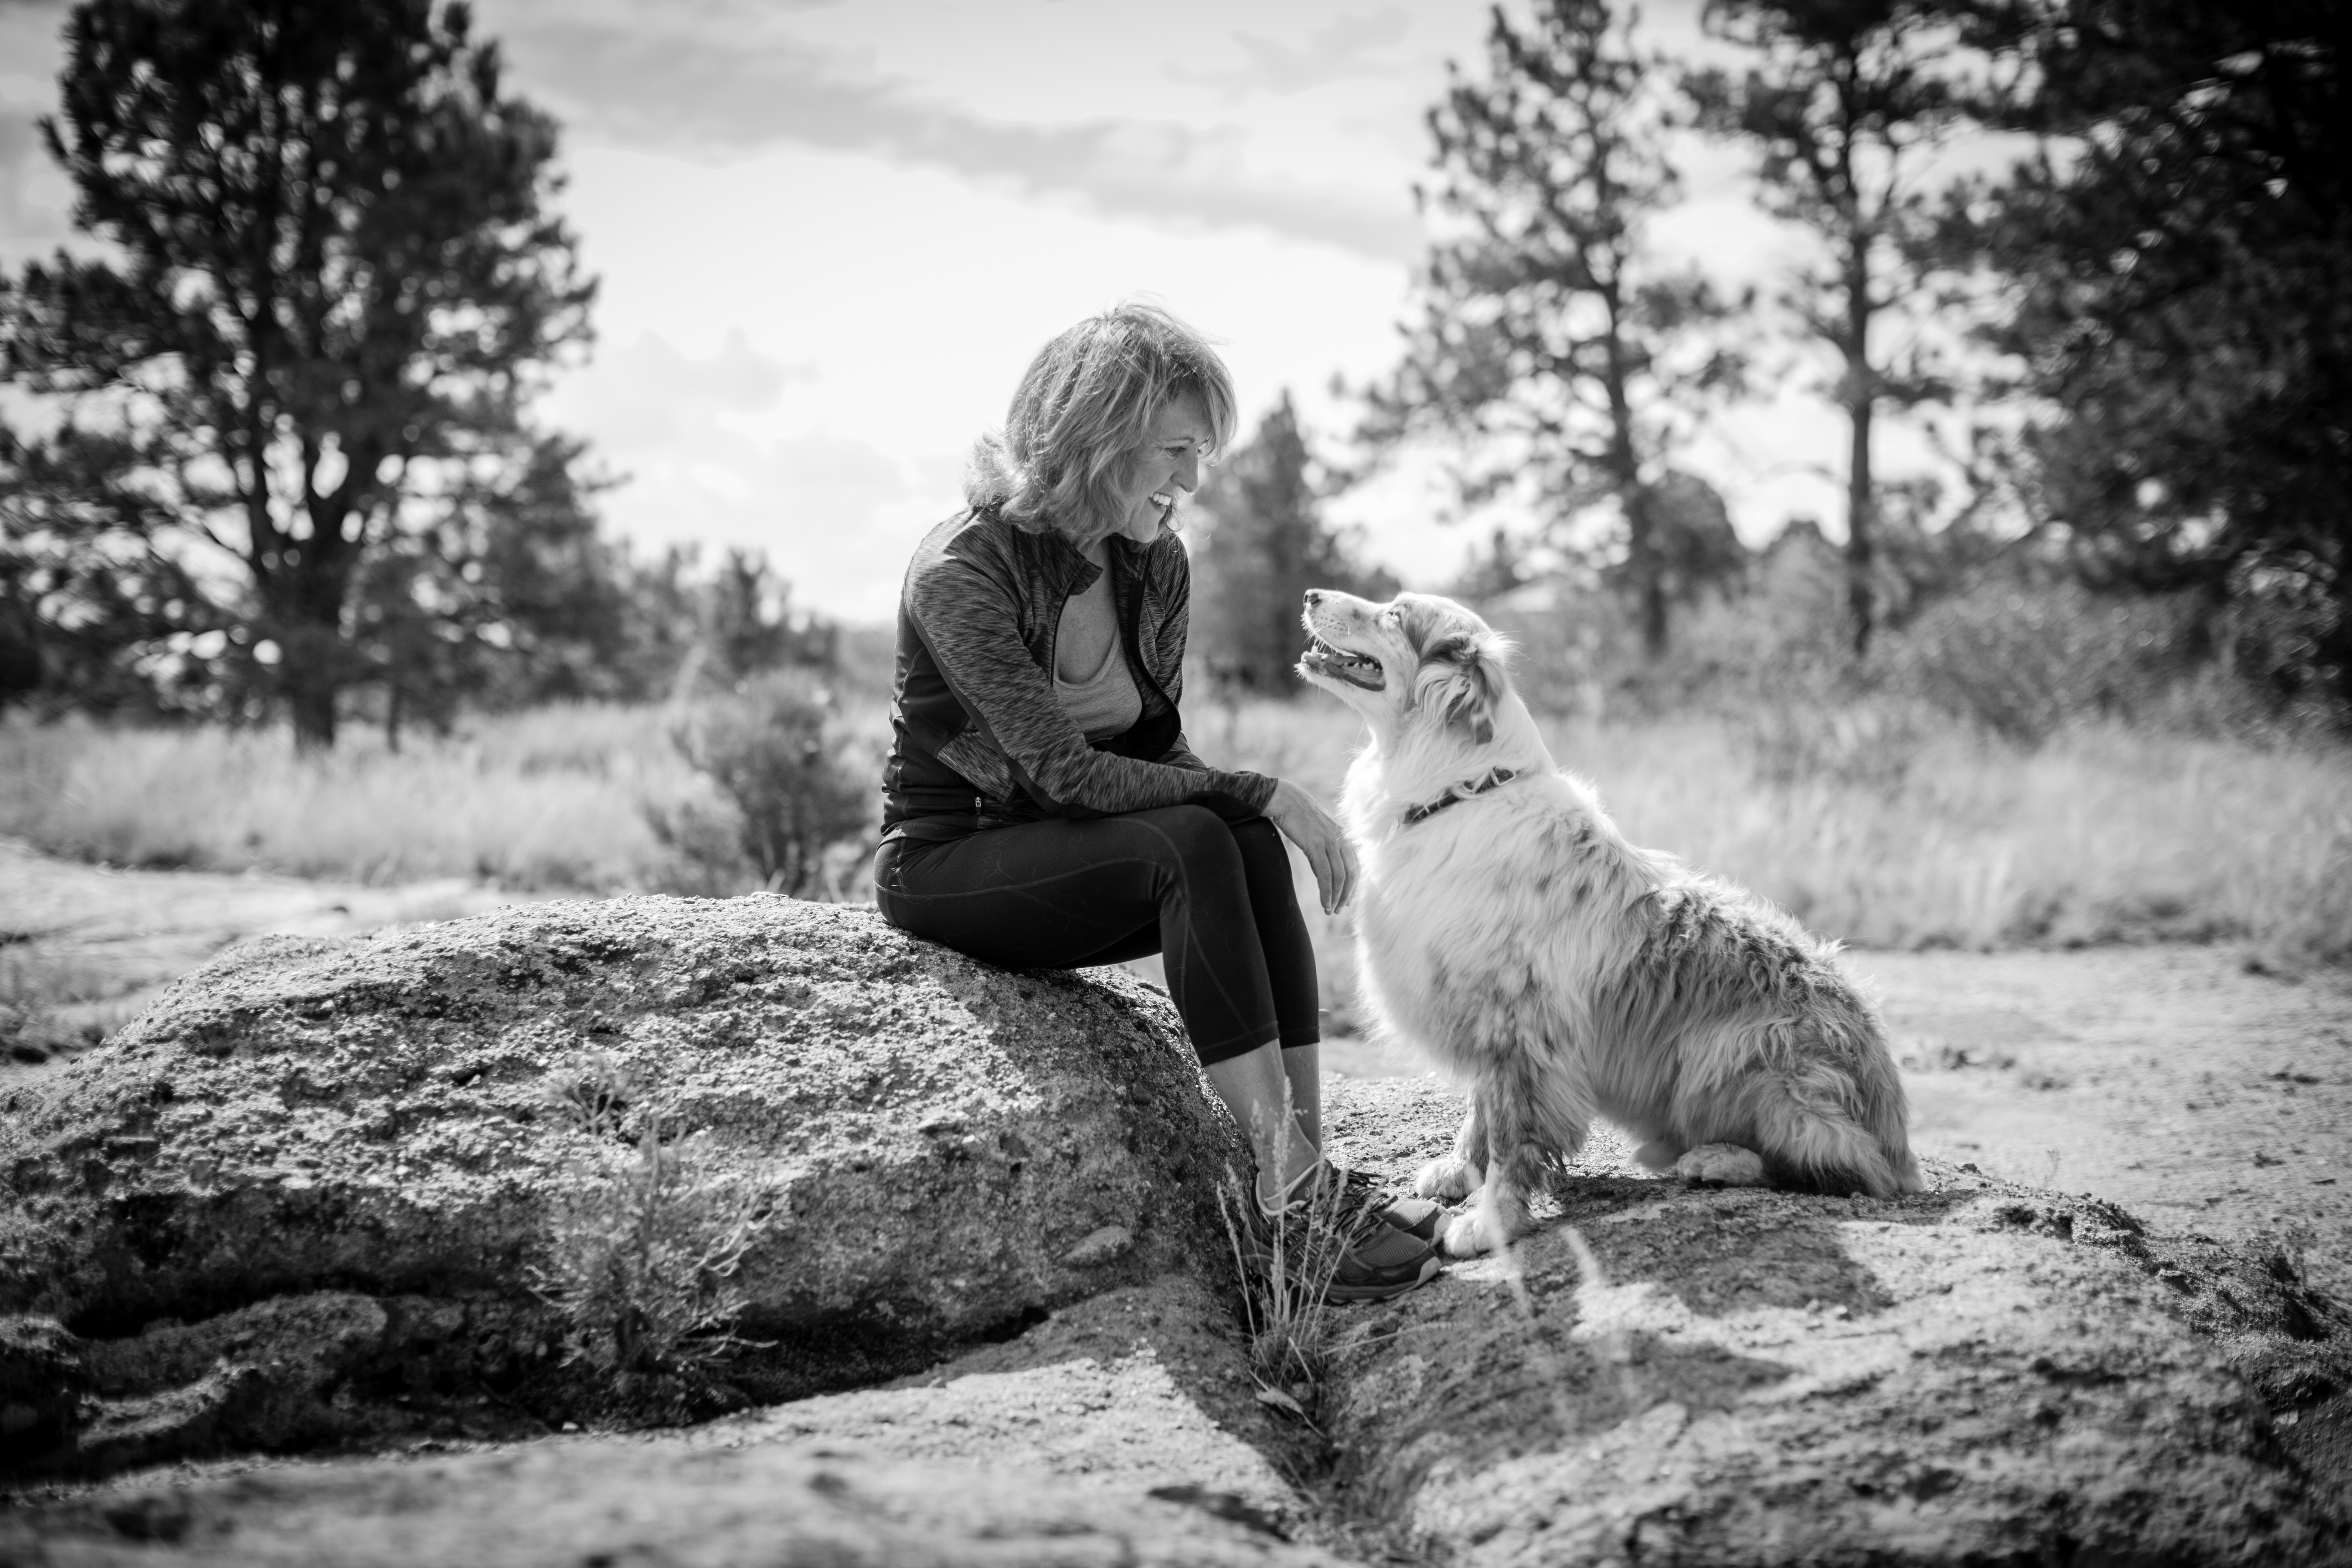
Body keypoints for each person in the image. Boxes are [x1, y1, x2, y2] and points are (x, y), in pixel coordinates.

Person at [872, 300, 1443, 1301]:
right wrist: (1265, 788)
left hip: (1069, 846)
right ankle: (1291, 1185)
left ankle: (1300, 1176)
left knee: (1235, 838)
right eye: (1174, 450)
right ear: (1094, 442)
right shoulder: (962, 569)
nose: (1192, 481)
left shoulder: (1154, 561)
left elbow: (1155, 751)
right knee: (1203, 833)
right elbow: (1063, 774)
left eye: (1201, 452)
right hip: (954, 861)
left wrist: (1246, 806)